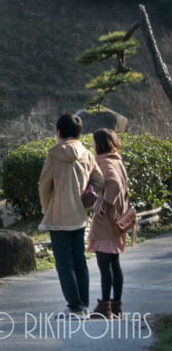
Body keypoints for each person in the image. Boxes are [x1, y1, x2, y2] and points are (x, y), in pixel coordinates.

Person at [38, 112, 104, 317]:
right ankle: (83, 304)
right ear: (78, 132)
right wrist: (87, 194)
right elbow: (100, 181)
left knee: (64, 263)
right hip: (79, 216)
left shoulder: (54, 155)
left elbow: (44, 186)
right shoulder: (86, 154)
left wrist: (47, 207)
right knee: (79, 261)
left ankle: (74, 307)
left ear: (59, 132)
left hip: (58, 217)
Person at [87, 128, 130, 319]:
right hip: (118, 219)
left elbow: (114, 183)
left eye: (94, 142)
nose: (92, 145)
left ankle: (105, 308)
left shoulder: (103, 161)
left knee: (105, 266)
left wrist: (104, 203)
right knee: (114, 264)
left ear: (100, 144)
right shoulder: (117, 159)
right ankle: (117, 305)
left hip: (107, 221)